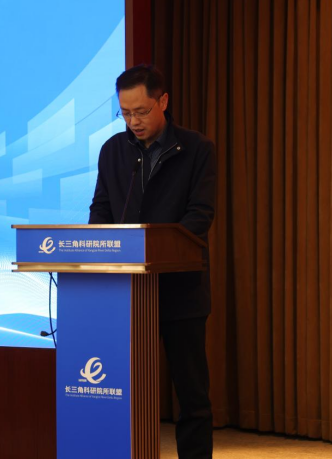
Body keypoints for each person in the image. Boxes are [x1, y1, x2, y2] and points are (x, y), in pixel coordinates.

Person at [89, 64, 216, 459]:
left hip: (180, 292)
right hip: (126, 292)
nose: (134, 121)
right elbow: (101, 210)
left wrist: (155, 248)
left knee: (191, 395)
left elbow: (200, 216)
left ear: (163, 101)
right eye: (125, 113)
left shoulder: (197, 149)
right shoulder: (113, 150)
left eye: (141, 111)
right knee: (120, 389)